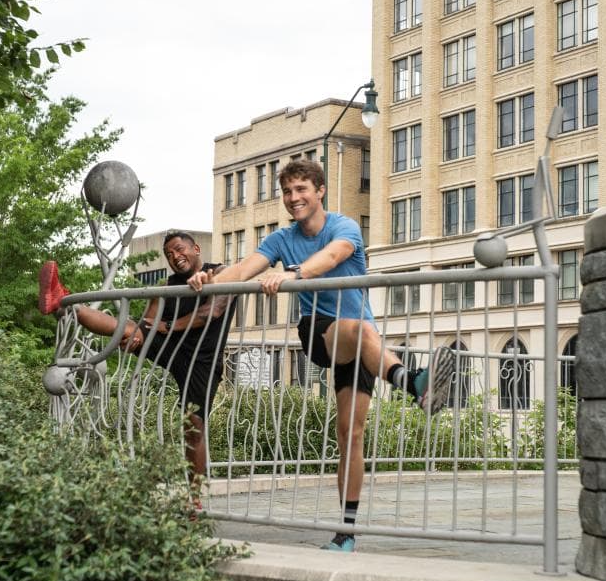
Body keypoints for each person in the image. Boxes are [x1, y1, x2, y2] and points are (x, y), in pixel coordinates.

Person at [187, 159, 453, 552]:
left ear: (320, 191)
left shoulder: (344, 227)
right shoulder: (282, 238)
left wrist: (294, 276)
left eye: (301, 191)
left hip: (365, 347)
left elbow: (331, 257)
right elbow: (244, 269)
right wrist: (205, 281)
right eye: (288, 192)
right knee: (361, 330)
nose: (294, 199)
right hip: (319, 331)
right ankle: (411, 383)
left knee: (352, 435)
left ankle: (345, 532)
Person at [39, 231, 235, 510]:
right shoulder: (166, 285)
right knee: (128, 327)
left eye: (179, 250)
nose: (175, 257)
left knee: (193, 425)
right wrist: (136, 337)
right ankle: (62, 302)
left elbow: (211, 313)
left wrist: (163, 328)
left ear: (196, 248)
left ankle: (195, 500)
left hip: (203, 359)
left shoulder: (220, 273)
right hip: (170, 349)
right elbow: (147, 323)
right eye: (168, 254)